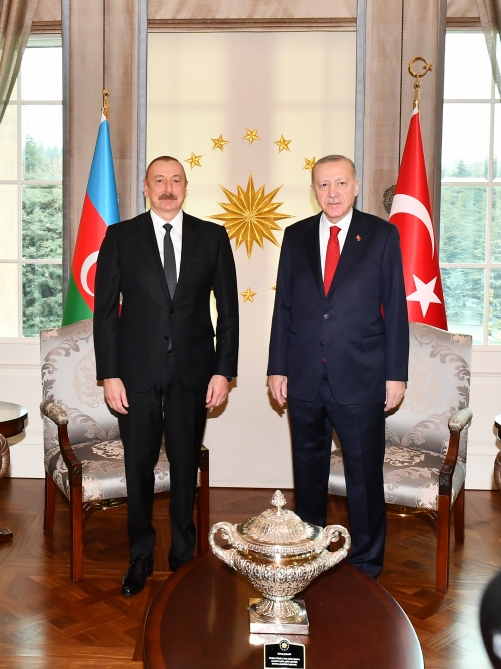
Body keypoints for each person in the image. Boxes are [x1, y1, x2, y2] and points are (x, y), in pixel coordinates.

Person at [94, 156, 239, 595]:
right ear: (146, 187)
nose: (168, 188)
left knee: (184, 465)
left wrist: (223, 372)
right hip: (135, 373)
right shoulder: (120, 237)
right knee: (138, 467)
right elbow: (105, 314)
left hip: (193, 373)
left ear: (186, 187)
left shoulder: (212, 237)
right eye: (159, 180)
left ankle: (183, 558)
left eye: (176, 180)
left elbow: (228, 313)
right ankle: (140, 557)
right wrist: (110, 375)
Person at [267, 155, 408, 578]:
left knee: (364, 477)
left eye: (341, 183)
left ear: (356, 186)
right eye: (324, 185)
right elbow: (284, 307)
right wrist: (277, 367)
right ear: (314, 190)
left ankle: (365, 566)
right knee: (307, 473)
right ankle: (310, 559)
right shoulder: (295, 236)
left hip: (362, 377)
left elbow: (395, 310)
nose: (332, 193)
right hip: (304, 376)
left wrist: (396, 375)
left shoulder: (382, 235)